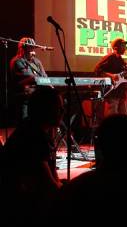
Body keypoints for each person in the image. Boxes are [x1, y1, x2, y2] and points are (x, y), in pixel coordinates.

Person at [1, 86, 64, 224]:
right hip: (22, 208)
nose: (62, 112)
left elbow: (53, 178)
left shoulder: (36, 131)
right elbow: (49, 185)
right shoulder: (33, 137)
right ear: (46, 110)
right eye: (59, 108)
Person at [9, 37, 48, 122]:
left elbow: (45, 77)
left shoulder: (36, 61)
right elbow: (30, 77)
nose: (32, 50)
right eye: (29, 48)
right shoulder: (17, 61)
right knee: (25, 124)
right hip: (25, 98)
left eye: (33, 47)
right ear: (23, 49)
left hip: (37, 97)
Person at [94, 38, 127, 117]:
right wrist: (111, 76)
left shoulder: (121, 60)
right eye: (123, 46)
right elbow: (97, 70)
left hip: (121, 91)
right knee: (113, 110)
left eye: (125, 46)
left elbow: (122, 76)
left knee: (123, 112)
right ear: (116, 47)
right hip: (112, 90)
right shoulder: (109, 57)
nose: (125, 48)